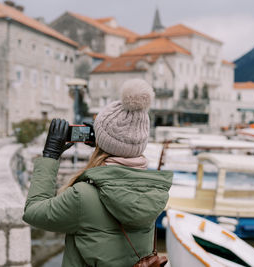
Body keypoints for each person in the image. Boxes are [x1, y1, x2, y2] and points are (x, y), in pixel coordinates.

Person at [23, 79, 173, 267]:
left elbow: (33, 212)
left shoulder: (83, 196)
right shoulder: (153, 190)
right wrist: (106, 143)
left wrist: (50, 156)